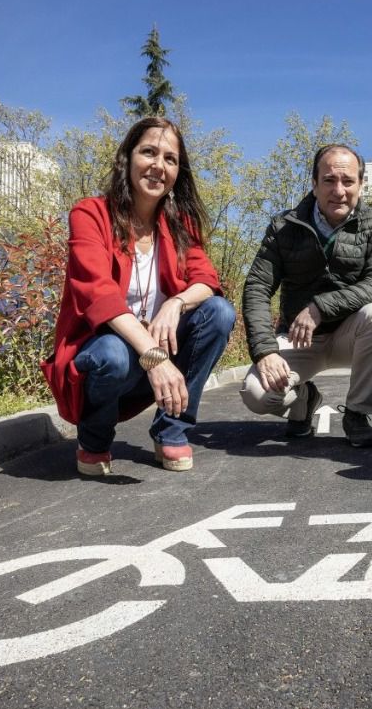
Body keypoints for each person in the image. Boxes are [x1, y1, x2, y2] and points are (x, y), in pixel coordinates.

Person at [42, 117, 235, 476]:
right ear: (127, 159)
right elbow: (98, 291)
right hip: (106, 357)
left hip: (155, 355)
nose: (158, 165)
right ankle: (95, 440)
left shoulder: (180, 226)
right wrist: (155, 358)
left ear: (179, 171)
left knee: (219, 313)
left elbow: (206, 279)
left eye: (170, 159)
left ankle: (171, 430)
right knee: (113, 353)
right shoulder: (91, 214)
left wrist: (176, 304)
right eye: (149, 152)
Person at [239, 144, 372, 447]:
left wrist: (319, 308)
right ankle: (304, 400)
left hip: (350, 336)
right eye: (328, 180)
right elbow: (257, 288)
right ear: (313, 184)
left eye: (348, 181)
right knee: (255, 394)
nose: (339, 190)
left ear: (361, 185)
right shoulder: (283, 227)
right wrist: (265, 351)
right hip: (299, 341)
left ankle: (357, 413)